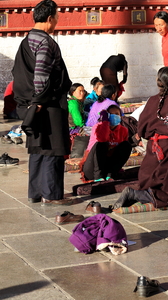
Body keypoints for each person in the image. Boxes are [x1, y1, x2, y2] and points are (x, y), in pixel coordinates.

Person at [12, 0, 72, 205]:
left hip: (34, 103)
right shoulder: (45, 42)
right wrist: (38, 101)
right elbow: (41, 75)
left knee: (38, 147)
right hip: (47, 103)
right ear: (49, 19)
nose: (57, 21)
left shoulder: (27, 40)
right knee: (52, 148)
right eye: (56, 17)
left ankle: (36, 192)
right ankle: (51, 194)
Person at [112, 67, 168, 209]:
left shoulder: (152, 100)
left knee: (151, 180)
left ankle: (140, 193)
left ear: (159, 82)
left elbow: (143, 126)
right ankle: (135, 194)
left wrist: (149, 150)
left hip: (152, 147)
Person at [81, 105, 131, 182]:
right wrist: (105, 122)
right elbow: (102, 139)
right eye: (111, 114)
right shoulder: (98, 127)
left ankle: (111, 174)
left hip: (108, 166)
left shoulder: (123, 130)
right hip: (93, 167)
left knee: (126, 145)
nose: (114, 116)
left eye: (117, 114)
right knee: (102, 143)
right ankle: (98, 176)